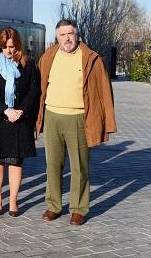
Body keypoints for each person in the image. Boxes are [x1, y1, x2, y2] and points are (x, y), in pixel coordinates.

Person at [36, 19, 117, 226]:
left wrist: (107, 121)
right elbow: (39, 86)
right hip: (53, 115)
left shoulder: (91, 58)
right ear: (57, 37)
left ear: (77, 35)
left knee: (80, 167)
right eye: (62, 35)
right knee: (53, 165)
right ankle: (53, 205)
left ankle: (79, 208)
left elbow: (105, 91)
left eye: (70, 34)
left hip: (79, 118)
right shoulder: (48, 56)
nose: (67, 38)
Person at [0, 27, 38, 217]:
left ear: (18, 45)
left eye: (12, 47)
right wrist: (6, 110)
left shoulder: (29, 65)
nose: (8, 51)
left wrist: (20, 110)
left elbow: (34, 91)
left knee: (15, 161)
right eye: (4, 47)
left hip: (20, 119)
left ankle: (13, 199)